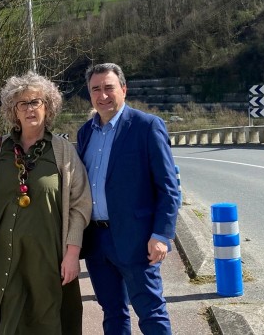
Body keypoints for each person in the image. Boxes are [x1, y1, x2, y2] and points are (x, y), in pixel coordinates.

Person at [0, 72, 92, 335]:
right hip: (1, 255)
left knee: (45, 319)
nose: (30, 108)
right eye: (23, 103)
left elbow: (80, 205)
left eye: (37, 102)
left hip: (47, 257)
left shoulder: (63, 151)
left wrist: (72, 254)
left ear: (48, 107)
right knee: (3, 316)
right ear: (14, 111)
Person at [76, 63, 180, 335]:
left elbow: (168, 187)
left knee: (150, 311)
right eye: (95, 89)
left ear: (123, 89)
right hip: (97, 242)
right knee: (112, 312)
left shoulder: (147, 126)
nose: (103, 95)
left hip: (137, 240)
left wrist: (161, 234)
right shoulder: (85, 132)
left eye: (109, 87)